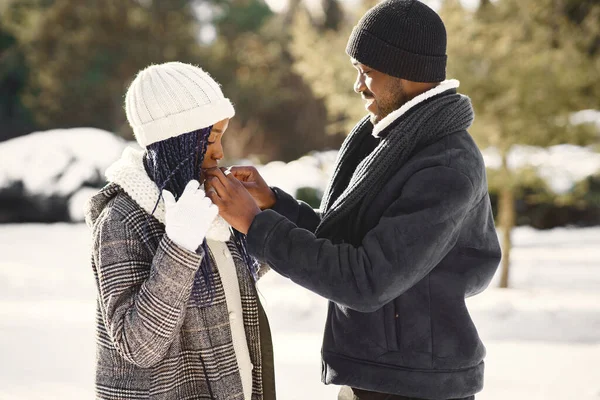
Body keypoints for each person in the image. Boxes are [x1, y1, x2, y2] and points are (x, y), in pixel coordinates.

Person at [203, 1, 502, 399]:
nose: (358, 86)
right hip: (380, 378)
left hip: (416, 388)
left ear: (407, 72)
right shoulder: (396, 139)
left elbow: (365, 279)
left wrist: (257, 225)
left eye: (367, 73)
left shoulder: (444, 167)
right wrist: (275, 204)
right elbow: (350, 239)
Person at [85, 62, 275, 400]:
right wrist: (179, 246)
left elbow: (236, 280)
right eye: (210, 138)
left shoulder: (203, 203)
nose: (220, 152)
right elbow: (137, 346)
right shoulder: (121, 220)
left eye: (222, 135)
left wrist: (260, 213)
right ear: (178, 142)